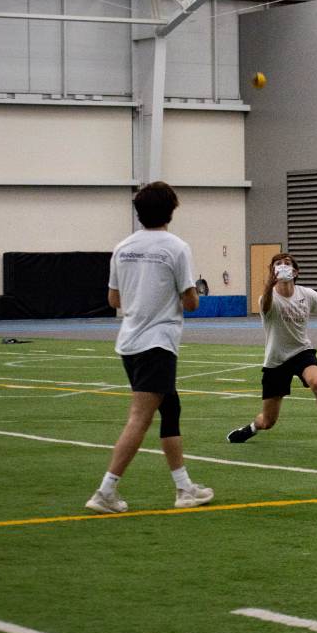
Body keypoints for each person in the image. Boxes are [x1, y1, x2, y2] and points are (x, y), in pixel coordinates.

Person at [85, 181, 214, 514]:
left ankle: (184, 488)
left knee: (170, 410)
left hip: (129, 343)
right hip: (157, 343)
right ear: (171, 210)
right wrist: (190, 292)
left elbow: (113, 299)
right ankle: (105, 491)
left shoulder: (122, 248)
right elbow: (191, 302)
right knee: (139, 419)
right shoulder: (177, 248)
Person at [226, 253, 317, 451]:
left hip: (302, 352)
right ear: (272, 271)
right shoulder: (267, 297)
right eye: (278, 264)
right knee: (268, 422)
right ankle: (251, 428)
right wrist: (268, 284)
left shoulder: (307, 295)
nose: (283, 266)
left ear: (295, 272)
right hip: (276, 360)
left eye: (287, 263)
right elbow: (267, 304)